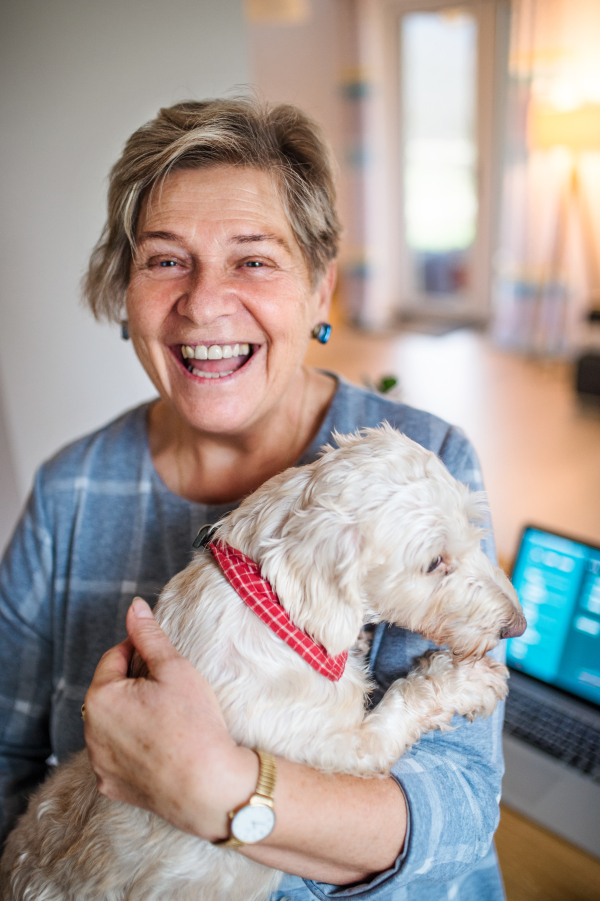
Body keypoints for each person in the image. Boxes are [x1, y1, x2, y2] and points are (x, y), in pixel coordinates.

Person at [0, 98, 507, 899]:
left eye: (254, 259)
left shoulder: (427, 469)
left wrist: (223, 792)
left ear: (319, 289)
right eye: (165, 259)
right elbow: (7, 762)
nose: (203, 304)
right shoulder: (70, 493)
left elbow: (460, 807)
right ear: (122, 289)